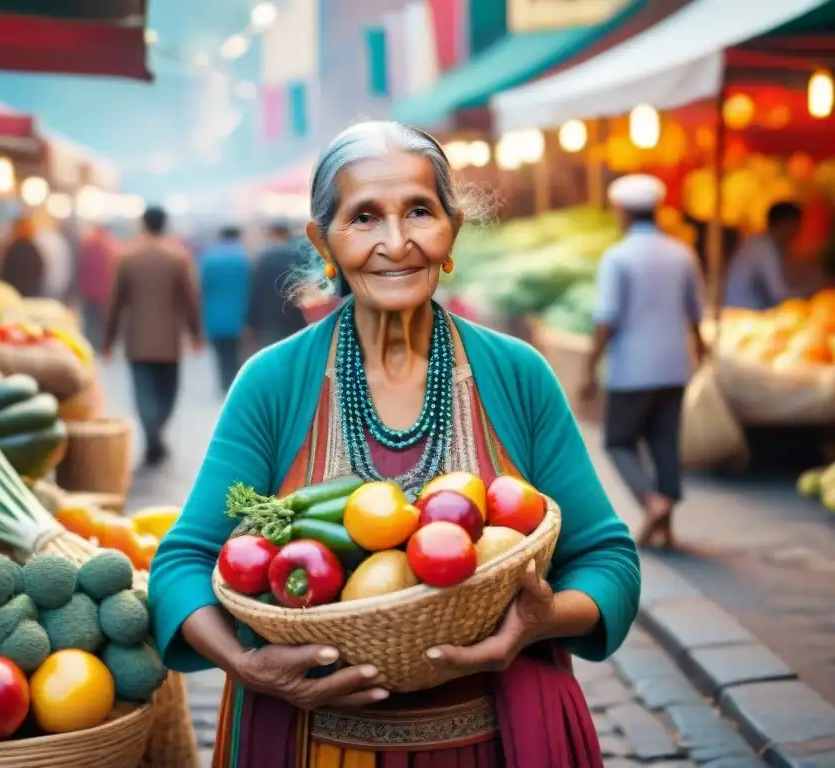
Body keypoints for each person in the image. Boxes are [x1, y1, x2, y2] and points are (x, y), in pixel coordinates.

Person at [151, 121, 641, 767]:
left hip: (499, 742)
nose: (396, 241)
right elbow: (182, 564)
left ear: (452, 229)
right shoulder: (273, 382)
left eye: (419, 210)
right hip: (311, 743)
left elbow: (607, 559)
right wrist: (247, 664)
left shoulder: (518, 374)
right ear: (322, 241)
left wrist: (540, 622)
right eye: (363, 218)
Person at [581, 174, 707, 549]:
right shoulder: (682, 252)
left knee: (618, 442)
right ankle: (666, 529)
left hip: (631, 370)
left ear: (621, 211)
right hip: (674, 366)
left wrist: (589, 370)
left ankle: (651, 501)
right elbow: (696, 313)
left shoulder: (617, 257)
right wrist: (700, 355)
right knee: (664, 442)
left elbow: (606, 319)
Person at [104, 206, 202, 466]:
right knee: (167, 393)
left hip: (137, 340)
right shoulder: (178, 256)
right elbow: (190, 299)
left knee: (143, 392)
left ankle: (152, 438)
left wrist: (108, 340)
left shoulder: (127, 256)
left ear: (143, 224)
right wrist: (195, 333)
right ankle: (156, 435)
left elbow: (116, 302)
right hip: (169, 340)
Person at [199, 225, 251, 392]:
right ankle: (234, 382)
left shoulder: (208, 258)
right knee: (236, 353)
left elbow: (201, 287)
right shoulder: (244, 258)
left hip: (213, 315)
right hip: (239, 315)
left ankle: (223, 381)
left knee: (220, 353)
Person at [724, 201, 802, 310]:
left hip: (744, 313)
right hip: (742, 316)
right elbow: (778, 294)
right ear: (784, 225)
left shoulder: (762, 244)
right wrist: (810, 295)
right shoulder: (762, 248)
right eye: (794, 226)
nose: (796, 233)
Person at [247, 219, 308, 349]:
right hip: (294, 317)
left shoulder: (263, 258)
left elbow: (255, 292)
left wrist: (252, 322)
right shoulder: (297, 255)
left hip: (269, 320)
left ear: (271, 233)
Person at [77, 226, 118, 345]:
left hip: (99, 294)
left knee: (96, 323)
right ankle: (95, 345)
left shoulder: (106, 250)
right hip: (94, 294)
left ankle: (96, 345)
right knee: (93, 322)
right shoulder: (107, 249)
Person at [0, 217, 45, 297]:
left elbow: (5, 273)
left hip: (14, 294)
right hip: (31, 295)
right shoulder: (34, 250)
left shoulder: (13, 250)